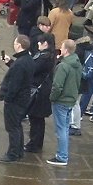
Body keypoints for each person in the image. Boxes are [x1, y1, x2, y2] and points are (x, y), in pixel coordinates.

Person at [0, 33, 38, 163]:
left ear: (19, 45)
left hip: (15, 101)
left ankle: (12, 154)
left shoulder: (20, 64)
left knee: (12, 127)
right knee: (17, 125)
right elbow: (20, 72)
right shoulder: (28, 60)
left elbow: (15, 83)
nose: (13, 45)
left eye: (15, 43)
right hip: (24, 99)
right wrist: (10, 62)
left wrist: (7, 98)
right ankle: (18, 151)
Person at [46, 37, 82, 165]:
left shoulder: (63, 66)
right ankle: (63, 154)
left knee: (60, 129)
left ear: (66, 50)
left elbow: (57, 86)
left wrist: (52, 98)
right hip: (71, 100)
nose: (60, 49)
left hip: (61, 101)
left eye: (62, 47)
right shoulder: (77, 64)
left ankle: (62, 156)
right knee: (65, 128)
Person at [24, 24, 56, 153]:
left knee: (35, 118)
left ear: (45, 44)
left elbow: (33, 69)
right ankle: (37, 143)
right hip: (42, 90)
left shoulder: (44, 58)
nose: (38, 45)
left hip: (39, 92)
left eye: (40, 43)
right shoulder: (48, 56)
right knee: (38, 119)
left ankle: (34, 144)